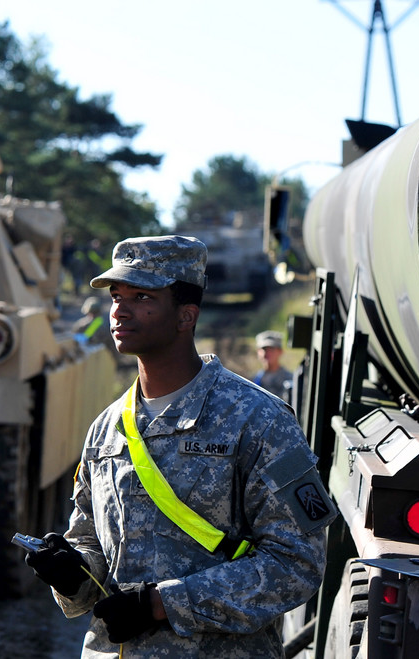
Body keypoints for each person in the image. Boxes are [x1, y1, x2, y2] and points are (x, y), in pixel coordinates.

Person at [25, 235, 336, 658]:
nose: (120, 309)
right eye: (116, 295)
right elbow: (91, 553)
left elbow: (297, 563)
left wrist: (160, 605)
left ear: (186, 315)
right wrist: (72, 572)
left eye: (141, 296)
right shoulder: (107, 429)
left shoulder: (258, 420)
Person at [253, 330, 294, 401]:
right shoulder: (254, 379)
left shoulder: (289, 379)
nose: (267, 353)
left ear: (280, 352)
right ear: (258, 352)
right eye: (264, 349)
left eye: (271, 349)